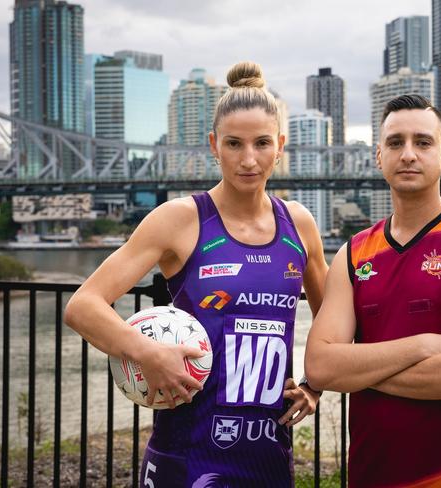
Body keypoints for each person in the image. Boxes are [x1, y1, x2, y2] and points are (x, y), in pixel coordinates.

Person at [65, 61, 328, 487]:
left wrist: (316, 384)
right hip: (185, 454)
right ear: (213, 145)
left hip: (270, 456)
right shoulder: (181, 219)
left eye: (262, 143)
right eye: (233, 144)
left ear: (280, 145)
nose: (248, 159)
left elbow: (334, 320)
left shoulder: (299, 225)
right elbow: (83, 306)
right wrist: (147, 353)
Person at [304, 94, 441, 487]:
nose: (409, 154)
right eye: (396, 143)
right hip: (370, 473)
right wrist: (422, 346)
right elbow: (319, 367)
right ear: (378, 156)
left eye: (423, 142)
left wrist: (356, 371)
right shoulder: (354, 252)